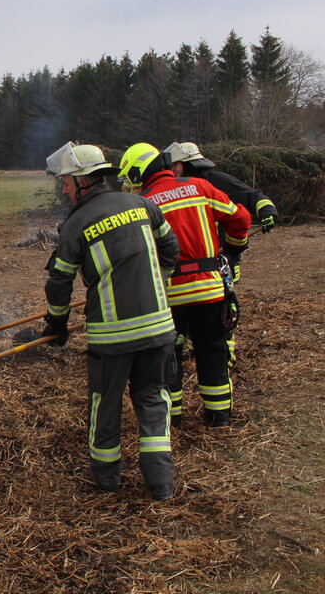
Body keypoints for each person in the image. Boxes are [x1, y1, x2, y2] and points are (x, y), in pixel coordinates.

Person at [42, 142, 179, 501]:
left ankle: (106, 480)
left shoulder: (75, 225)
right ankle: (161, 484)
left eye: (68, 182)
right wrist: (158, 287)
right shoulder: (142, 204)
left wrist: (56, 325)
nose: (65, 188)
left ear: (85, 181)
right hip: (159, 329)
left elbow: (59, 284)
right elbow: (171, 249)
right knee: (153, 397)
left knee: (106, 402)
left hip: (112, 336)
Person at [119, 143, 251, 429]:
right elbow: (240, 219)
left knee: (169, 357)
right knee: (212, 350)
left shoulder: (143, 202)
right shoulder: (200, 187)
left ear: (139, 172)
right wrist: (233, 250)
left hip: (169, 295)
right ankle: (219, 418)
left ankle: (172, 419)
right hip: (209, 291)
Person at [163, 141, 277, 367]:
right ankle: (200, 348)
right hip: (191, 264)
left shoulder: (216, 182)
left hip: (221, 259)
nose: (172, 170)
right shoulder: (176, 187)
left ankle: (224, 354)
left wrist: (267, 210)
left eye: (175, 165)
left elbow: (252, 196)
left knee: (222, 308)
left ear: (187, 164)